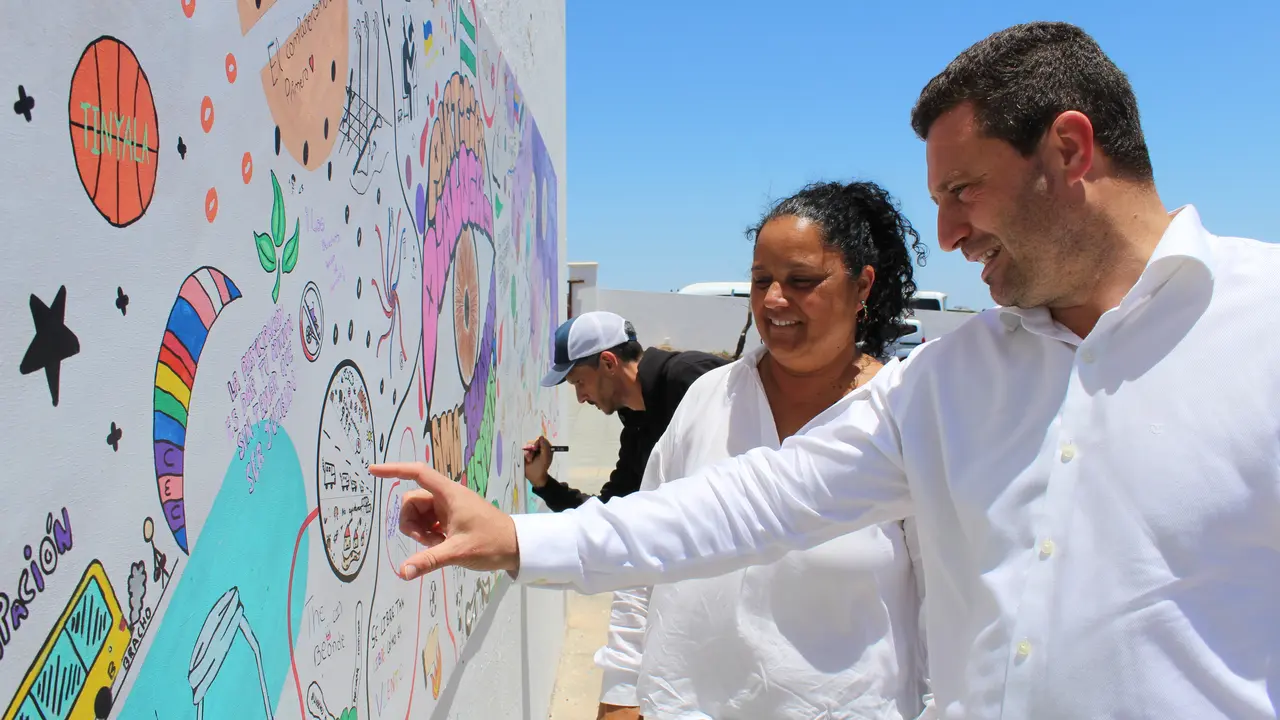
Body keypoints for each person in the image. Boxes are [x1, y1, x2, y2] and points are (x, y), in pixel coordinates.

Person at [378, 21, 1280, 719]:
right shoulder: (947, 382)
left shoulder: (1263, 327)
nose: (953, 233)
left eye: (962, 191)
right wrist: (520, 538)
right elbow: (748, 503)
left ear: (1071, 150)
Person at [594, 180, 932, 720]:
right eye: (760, 280)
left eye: (801, 281)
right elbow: (646, 547)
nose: (774, 300)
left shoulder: (903, 416)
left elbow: (944, 604)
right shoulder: (710, 397)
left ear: (862, 286)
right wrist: (619, 691)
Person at [523, 310, 727, 512]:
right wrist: (543, 482)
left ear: (608, 363)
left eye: (579, 382)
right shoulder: (636, 428)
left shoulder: (690, 377)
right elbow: (608, 515)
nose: (580, 397)